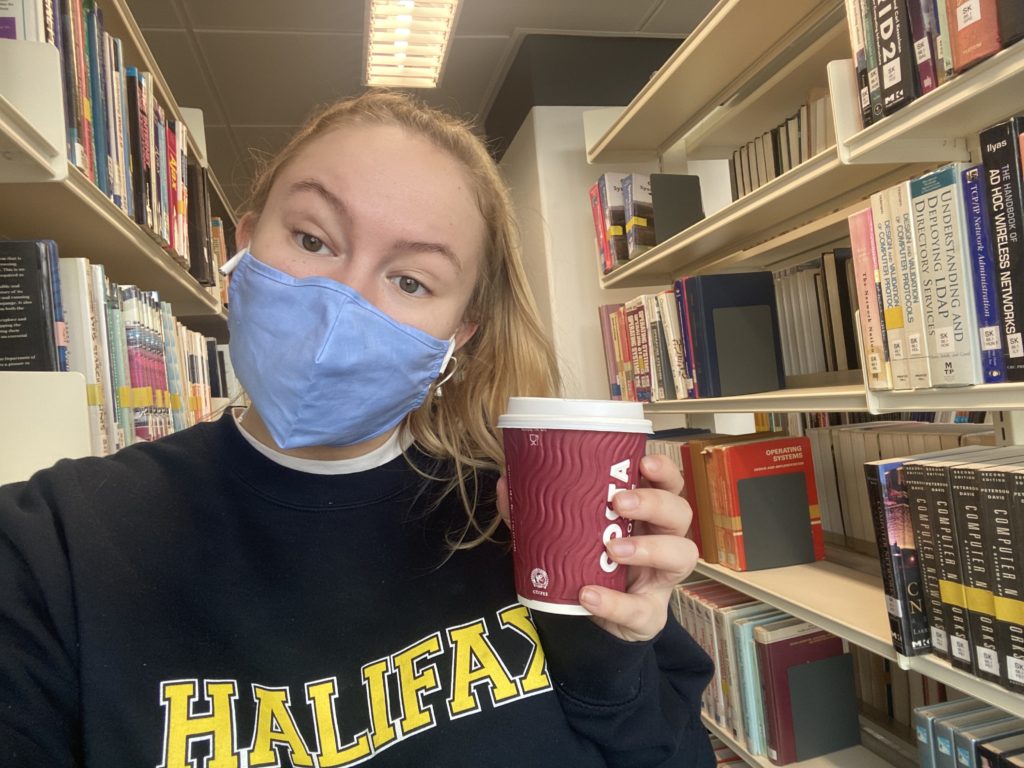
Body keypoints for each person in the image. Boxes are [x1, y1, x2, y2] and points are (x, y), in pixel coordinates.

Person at [0, 90, 714, 767]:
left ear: (455, 336)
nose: (341, 302)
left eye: (411, 281)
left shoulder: (529, 523)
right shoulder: (50, 547)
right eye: (312, 239)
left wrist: (611, 654)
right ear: (242, 249)